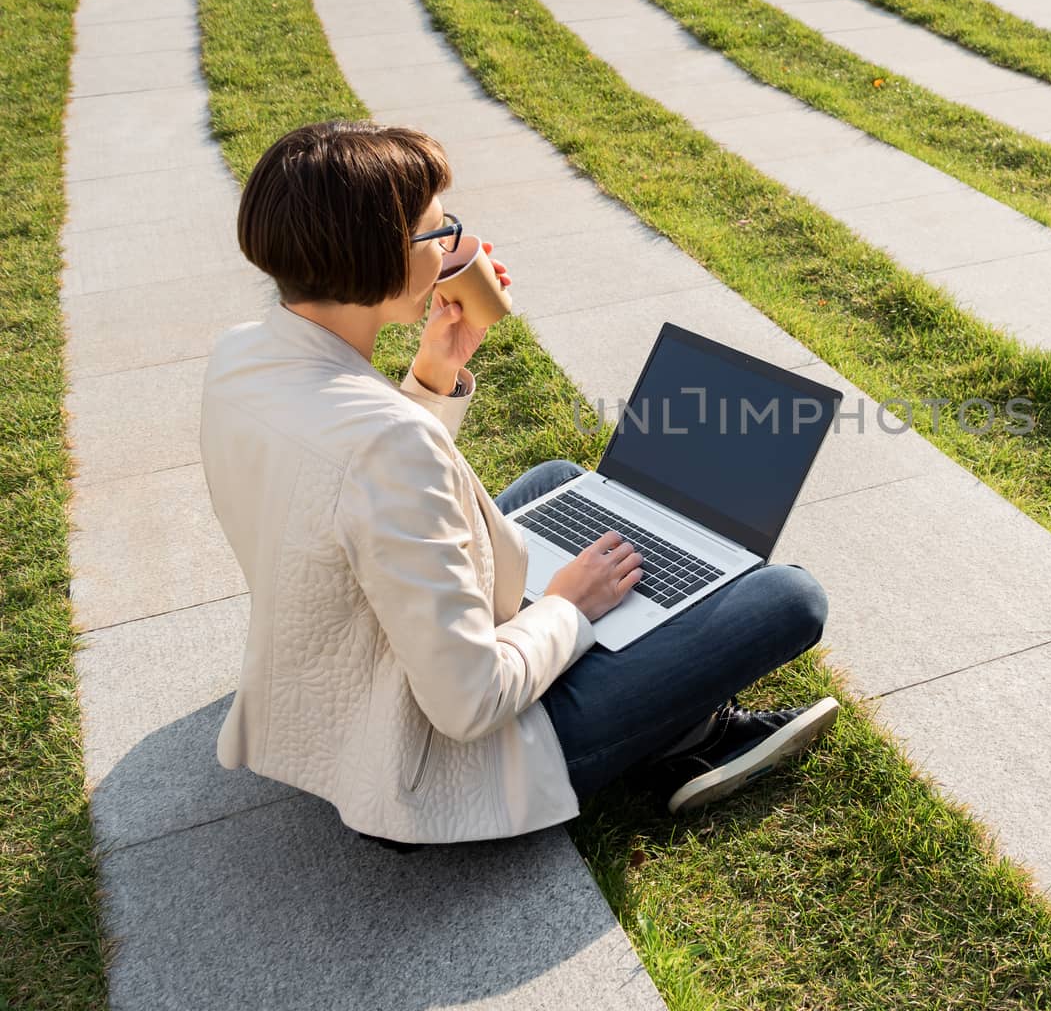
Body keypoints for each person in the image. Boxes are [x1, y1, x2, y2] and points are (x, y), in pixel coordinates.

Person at [198, 120, 838, 850]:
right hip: (429, 773)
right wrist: (569, 604)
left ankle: (674, 714)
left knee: (561, 482)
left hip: (336, 678)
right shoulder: (389, 443)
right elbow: (469, 704)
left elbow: (351, 486)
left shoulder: (243, 355)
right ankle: (691, 734)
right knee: (788, 598)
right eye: (438, 233)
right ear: (382, 254)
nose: (451, 251)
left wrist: (437, 370)